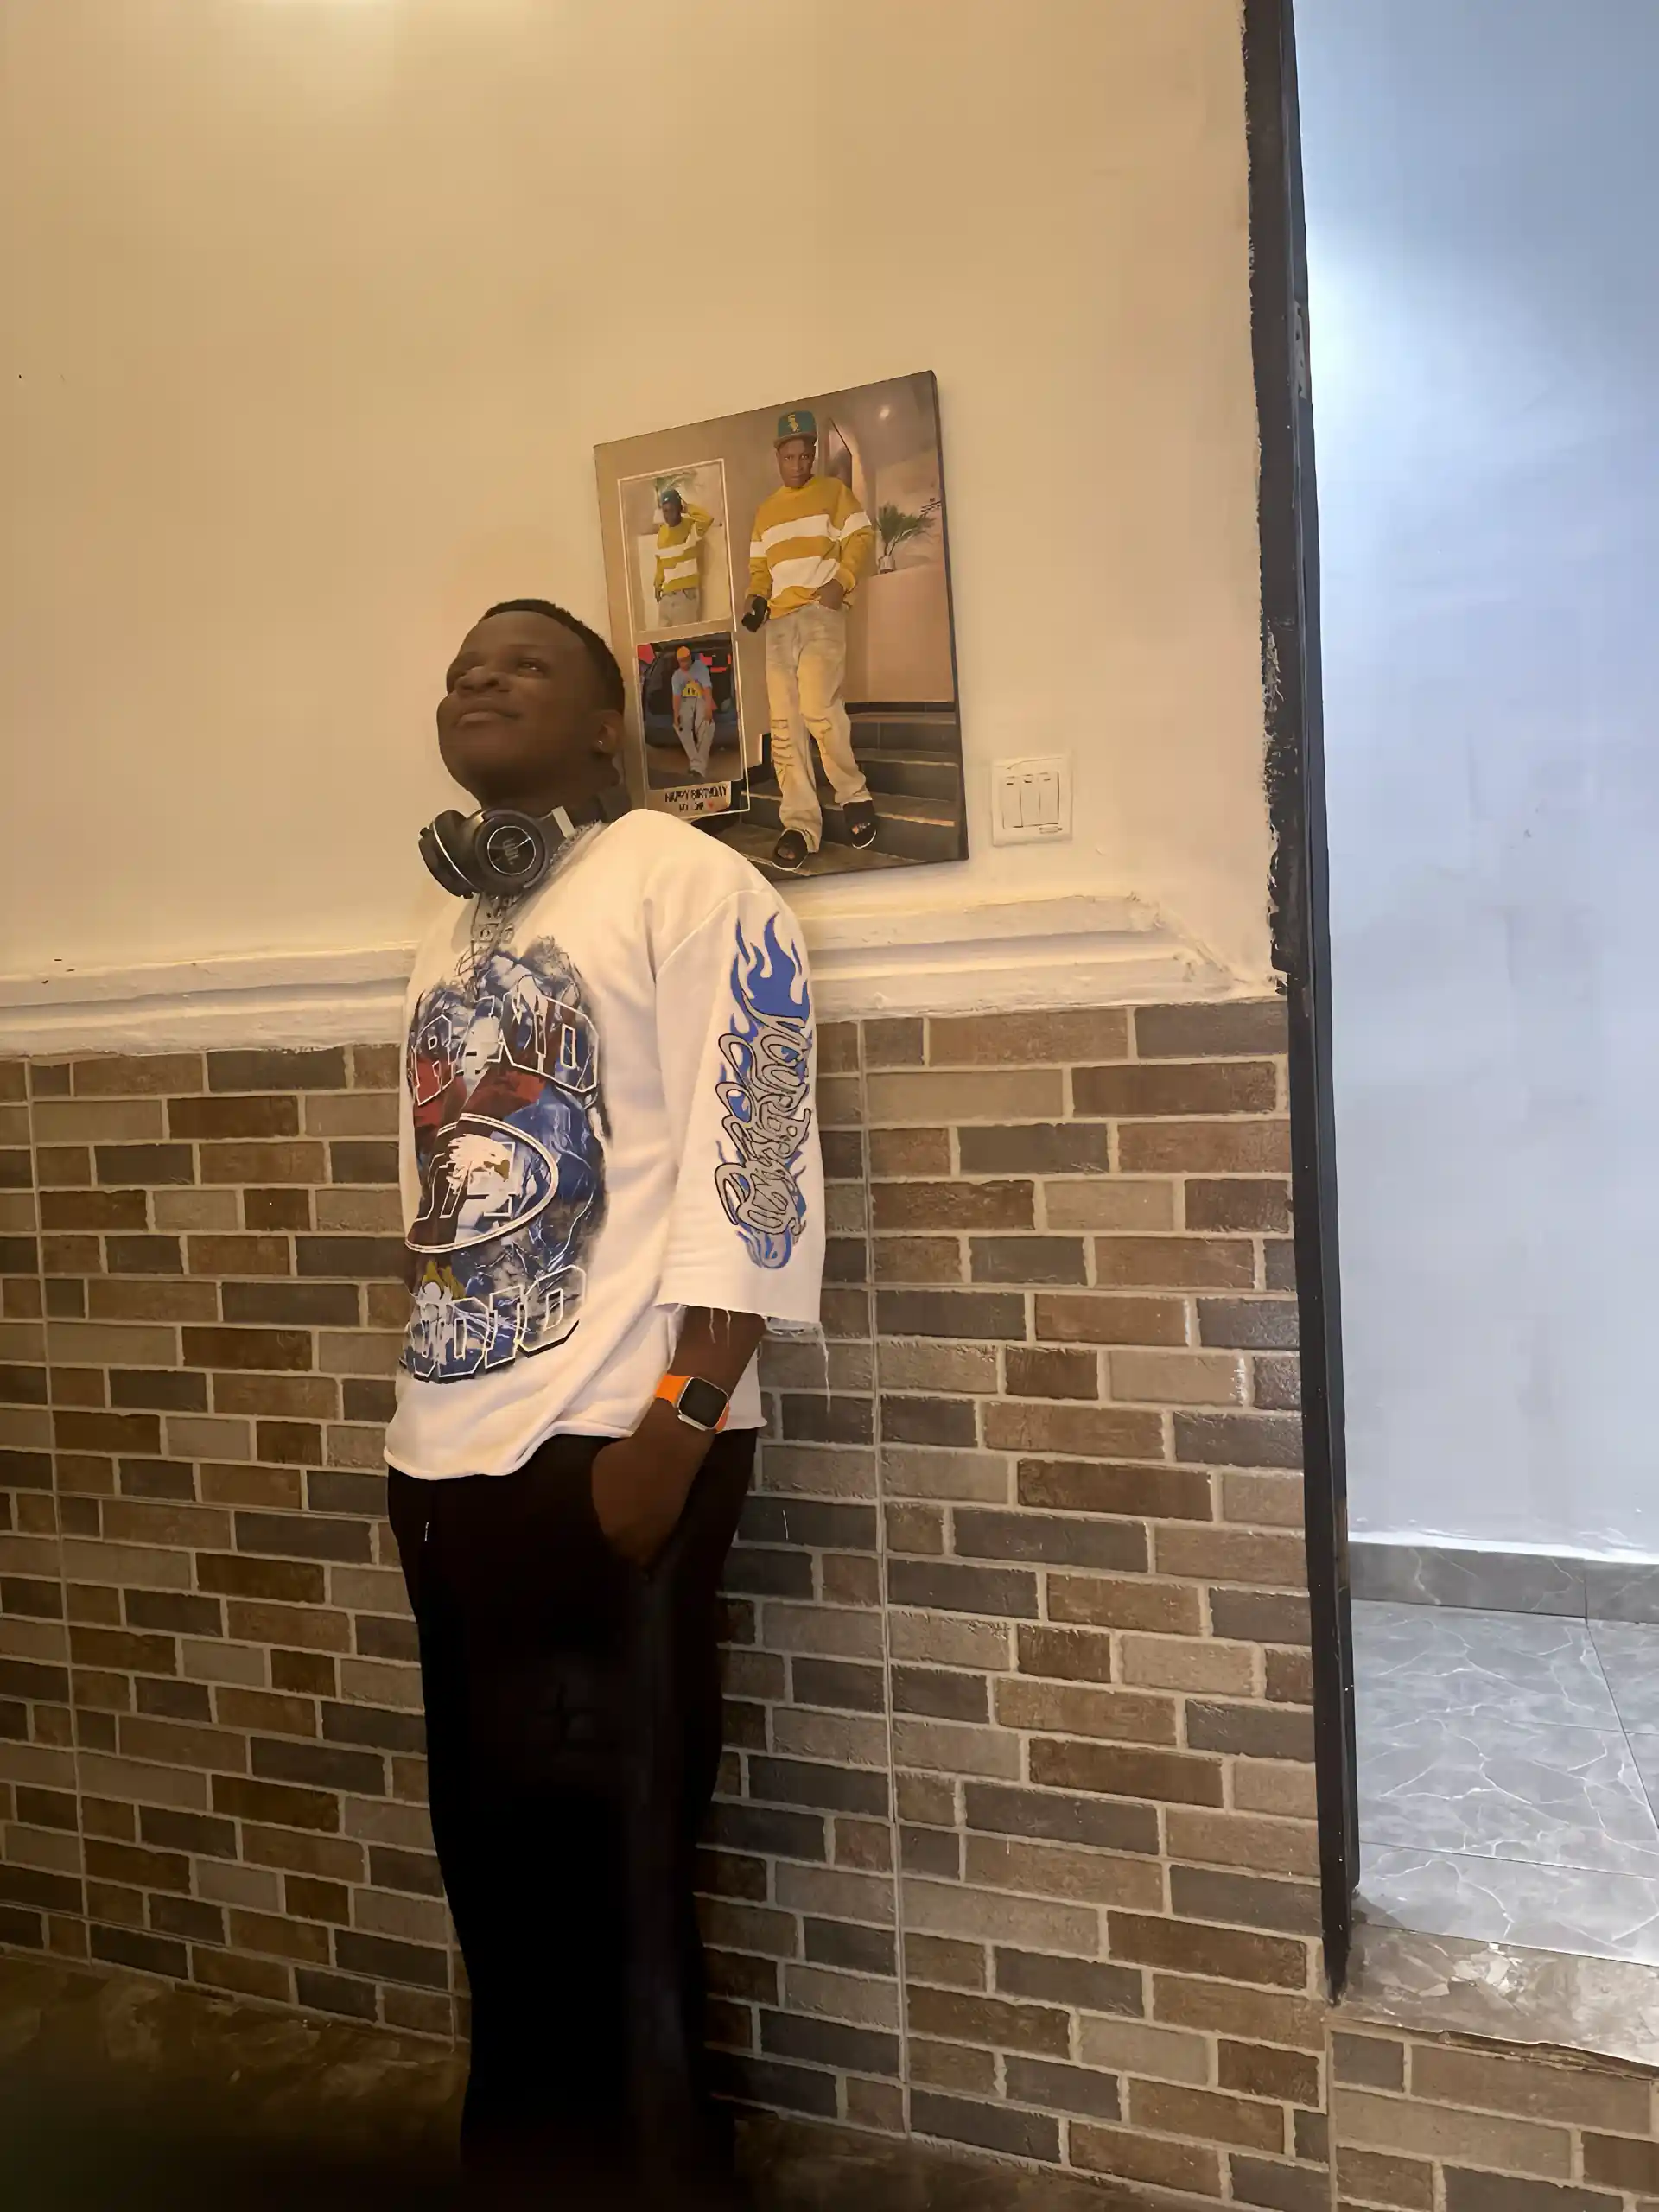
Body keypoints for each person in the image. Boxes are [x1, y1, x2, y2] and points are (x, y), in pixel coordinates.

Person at [385, 597, 824, 2209]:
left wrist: (684, 1416)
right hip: (449, 1459)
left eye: (524, 665)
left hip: (620, 1451)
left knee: (622, 1879)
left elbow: (754, 1149)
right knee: (495, 1866)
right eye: (462, 669)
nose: (479, 681)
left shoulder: (693, 883)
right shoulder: (451, 925)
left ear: (603, 727)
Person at [746, 408, 878, 873]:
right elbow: (760, 569)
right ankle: (800, 823)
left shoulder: (833, 494)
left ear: (814, 453)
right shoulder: (765, 512)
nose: (798, 465)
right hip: (779, 624)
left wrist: (841, 581)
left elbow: (861, 535)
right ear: (777, 457)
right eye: (790, 457)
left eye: (806, 456)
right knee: (784, 724)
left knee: (819, 708)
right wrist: (756, 599)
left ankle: (853, 793)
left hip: (821, 613)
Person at [654, 486, 709, 625]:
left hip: (685, 596)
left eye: (672, 510)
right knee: (662, 638)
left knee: (685, 638)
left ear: (679, 508)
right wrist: (657, 585)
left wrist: (687, 507)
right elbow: (660, 562)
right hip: (666, 596)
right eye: (665, 511)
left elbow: (707, 519)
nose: (668, 515)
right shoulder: (662, 532)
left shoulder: (691, 527)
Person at [671, 642, 717, 779]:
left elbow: (707, 688)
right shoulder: (676, 676)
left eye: (685, 660)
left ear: (690, 658)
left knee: (704, 726)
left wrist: (708, 707)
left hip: (701, 698)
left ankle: (697, 768)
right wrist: (675, 715)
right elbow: (676, 697)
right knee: (680, 727)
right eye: (681, 661)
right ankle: (697, 765)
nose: (683, 664)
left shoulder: (700, 668)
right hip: (685, 701)